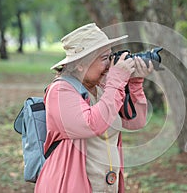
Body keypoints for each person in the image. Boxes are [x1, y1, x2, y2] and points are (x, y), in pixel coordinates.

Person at [34, 23, 153, 193]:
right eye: (105, 58)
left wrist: (135, 82)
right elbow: (91, 124)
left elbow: (135, 123)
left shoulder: (104, 89)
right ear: (81, 64)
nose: (110, 64)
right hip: (70, 186)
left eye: (111, 57)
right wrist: (117, 79)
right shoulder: (60, 91)